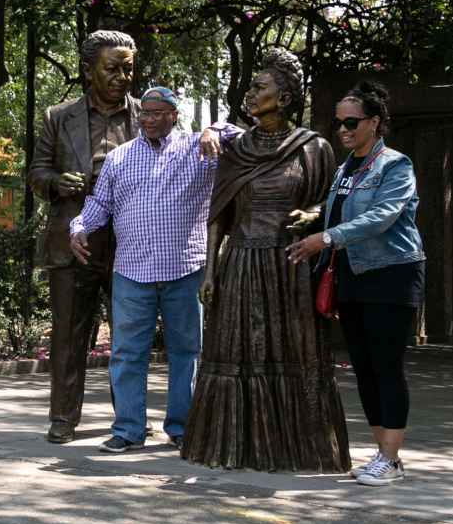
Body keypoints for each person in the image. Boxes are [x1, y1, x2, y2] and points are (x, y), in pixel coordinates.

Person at [182, 49, 351, 473]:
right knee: (237, 354)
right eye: (252, 86)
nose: (251, 93)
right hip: (239, 262)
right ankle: (232, 446)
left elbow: (331, 206)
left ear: (286, 97)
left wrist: (311, 216)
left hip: (288, 264)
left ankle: (296, 449)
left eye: (261, 87)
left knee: (293, 353)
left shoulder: (314, 149)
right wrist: (209, 272)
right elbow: (218, 216)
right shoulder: (236, 149)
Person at [70, 87, 234, 453]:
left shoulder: (200, 150)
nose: (150, 119)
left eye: (159, 112)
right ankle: (128, 430)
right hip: (131, 272)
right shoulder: (120, 158)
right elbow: (100, 204)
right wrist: (79, 228)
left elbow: (242, 135)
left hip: (185, 269)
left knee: (186, 352)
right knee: (127, 354)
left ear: (175, 115)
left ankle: (182, 427)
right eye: (145, 112)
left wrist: (215, 130)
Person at [288, 81, 425, 486]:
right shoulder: (346, 167)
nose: (344, 130)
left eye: (352, 122)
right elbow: (338, 211)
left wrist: (326, 238)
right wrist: (312, 217)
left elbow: (382, 216)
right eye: (339, 124)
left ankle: (391, 456)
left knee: (386, 366)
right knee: (364, 368)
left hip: (391, 274)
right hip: (351, 274)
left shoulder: (395, 166)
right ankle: (383, 455)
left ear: (376, 122)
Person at [29, 31, 141, 444]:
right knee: (68, 336)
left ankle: (129, 419)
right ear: (88, 70)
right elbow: (36, 174)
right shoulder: (58, 117)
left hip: (131, 243)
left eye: (128, 69)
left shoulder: (145, 116)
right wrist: (59, 181)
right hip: (74, 241)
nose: (121, 77)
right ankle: (63, 418)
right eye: (112, 68)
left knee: (129, 333)